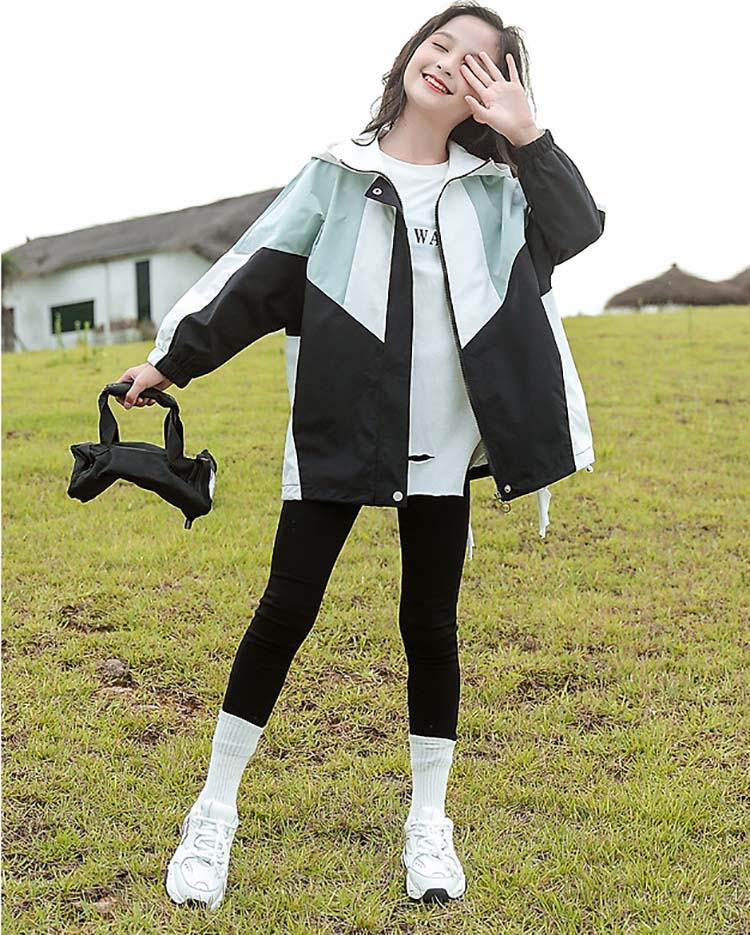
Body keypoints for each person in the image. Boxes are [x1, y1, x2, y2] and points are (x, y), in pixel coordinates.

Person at [115, 1, 604, 910]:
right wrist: (171, 360)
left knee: (431, 625)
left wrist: (529, 136)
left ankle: (430, 821)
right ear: (412, 53)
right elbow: (253, 274)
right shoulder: (337, 175)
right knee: (285, 609)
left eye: (478, 61)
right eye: (440, 43)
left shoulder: (499, 191)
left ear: (493, 90)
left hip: (443, 445)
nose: (448, 62)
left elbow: (578, 229)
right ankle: (213, 809)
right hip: (340, 427)